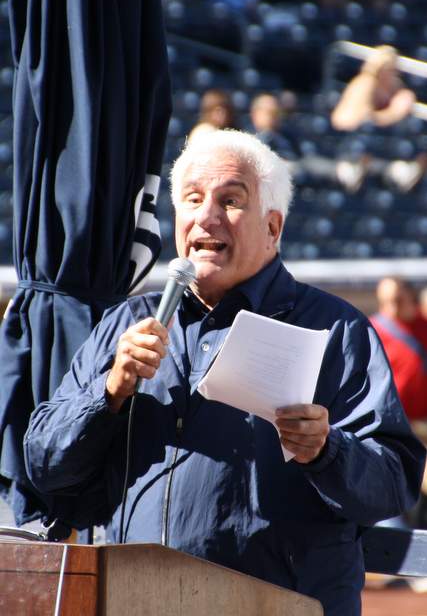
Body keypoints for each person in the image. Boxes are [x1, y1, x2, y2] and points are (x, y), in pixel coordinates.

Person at [24, 130, 424, 616]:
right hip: (136, 601)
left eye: (230, 200)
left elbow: (394, 481)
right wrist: (108, 393)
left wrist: (326, 450)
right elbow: (45, 465)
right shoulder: (126, 324)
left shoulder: (335, 329)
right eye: (192, 199)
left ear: (273, 228)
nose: (206, 216)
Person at [331, 45, 427, 192]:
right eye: (389, 69)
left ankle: (406, 173)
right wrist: (394, 112)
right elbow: (355, 121)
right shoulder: (365, 83)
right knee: (367, 136)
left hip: (381, 142)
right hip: (348, 141)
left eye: (394, 69)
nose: (393, 73)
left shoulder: (395, 87)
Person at [371, 277, 427, 421]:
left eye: (397, 301)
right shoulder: (372, 330)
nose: (391, 308)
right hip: (393, 420)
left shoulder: (423, 325)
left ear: (411, 297)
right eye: (384, 303)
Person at [249, 93, 299, 161]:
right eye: (269, 112)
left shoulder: (290, 138)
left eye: (277, 112)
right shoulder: (245, 139)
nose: (274, 117)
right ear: (255, 114)